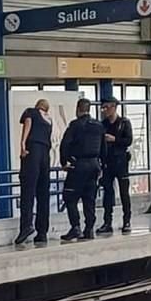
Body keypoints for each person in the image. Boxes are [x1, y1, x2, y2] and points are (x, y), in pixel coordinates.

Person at [59, 98, 105, 242]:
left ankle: (75, 227)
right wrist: (101, 165)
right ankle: (89, 228)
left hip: (78, 165)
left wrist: (64, 162)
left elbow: (64, 145)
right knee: (89, 198)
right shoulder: (98, 126)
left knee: (69, 196)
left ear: (78, 109)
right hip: (94, 165)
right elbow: (104, 147)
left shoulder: (75, 125)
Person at [14, 98, 53, 246]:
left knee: (28, 190)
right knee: (43, 194)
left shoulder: (31, 112)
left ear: (38, 106)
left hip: (33, 152)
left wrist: (23, 144)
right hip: (45, 155)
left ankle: (26, 226)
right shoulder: (49, 120)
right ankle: (42, 232)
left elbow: (28, 123)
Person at [97, 97, 133, 235]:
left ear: (113, 107)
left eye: (106, 107)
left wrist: (115, 139)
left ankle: (127, 220)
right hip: (107, 162)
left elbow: (128, 140)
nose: (104, 110)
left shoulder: (124, 123)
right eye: (103, 108)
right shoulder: (103, 124)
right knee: (108, 192)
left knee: (124, 192)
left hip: (121, 162)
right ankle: (107, 222)